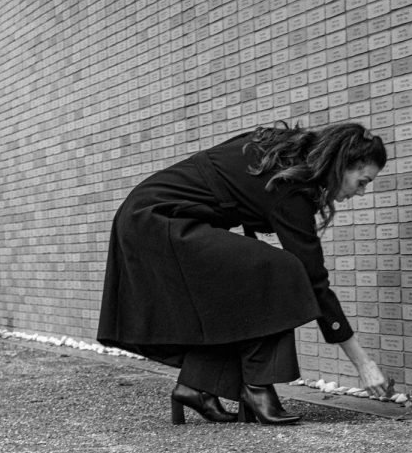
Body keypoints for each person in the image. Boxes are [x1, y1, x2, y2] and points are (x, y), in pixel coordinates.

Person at [97, 121, 389, 425]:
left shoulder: (285, 153)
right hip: (157, 221)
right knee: (283, 270)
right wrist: (363, 363)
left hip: (152, 218)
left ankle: (197, 386)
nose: (361, 192)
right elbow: (314, 280)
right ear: (343, 165)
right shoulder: (291, 187)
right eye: (362, 181)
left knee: (254, 279)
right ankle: (257, 389)